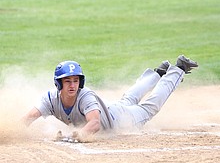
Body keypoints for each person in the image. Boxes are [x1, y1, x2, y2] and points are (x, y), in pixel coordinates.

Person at [22, 55, 198, 142]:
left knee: (148, 108)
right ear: (58, 83)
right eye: (67, 81)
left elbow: (95, 124)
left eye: (76, 80)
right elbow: (28, 118)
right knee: (128, 100)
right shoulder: (49, 99)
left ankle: (178, 69)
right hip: (113, 109)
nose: (72, 85)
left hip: (121, 119)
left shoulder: (85, 96)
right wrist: (11, 132)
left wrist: (77, 136)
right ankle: (158, 73)